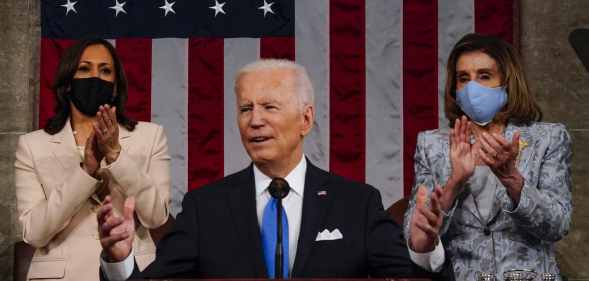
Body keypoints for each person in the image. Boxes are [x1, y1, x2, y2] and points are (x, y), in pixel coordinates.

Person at [98, 59, 452, 280]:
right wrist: (121, 260)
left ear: (306, 119)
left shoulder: (356, 204)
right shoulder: (204, 208)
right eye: (245, 109)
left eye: (269, 106)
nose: (255, 121)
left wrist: (423, 249)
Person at [404, 33, 572, 281]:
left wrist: (513, 180)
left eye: (484, 76)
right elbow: (416, 239)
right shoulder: (432, 144)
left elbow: (557, 224)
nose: (473, 87)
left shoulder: (548, 138)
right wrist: (455, 181)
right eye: (464, 78)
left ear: (508, 81)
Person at [15, 39, 171, 281]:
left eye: (105, 70)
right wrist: (86, 170)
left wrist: (115, 154)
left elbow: (156, 216)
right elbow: (34, 233)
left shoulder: (151, 137)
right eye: (84, 69)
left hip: (131, 272)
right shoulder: (32, 146)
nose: (95, 77)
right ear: (68, 83)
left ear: (116, 86)